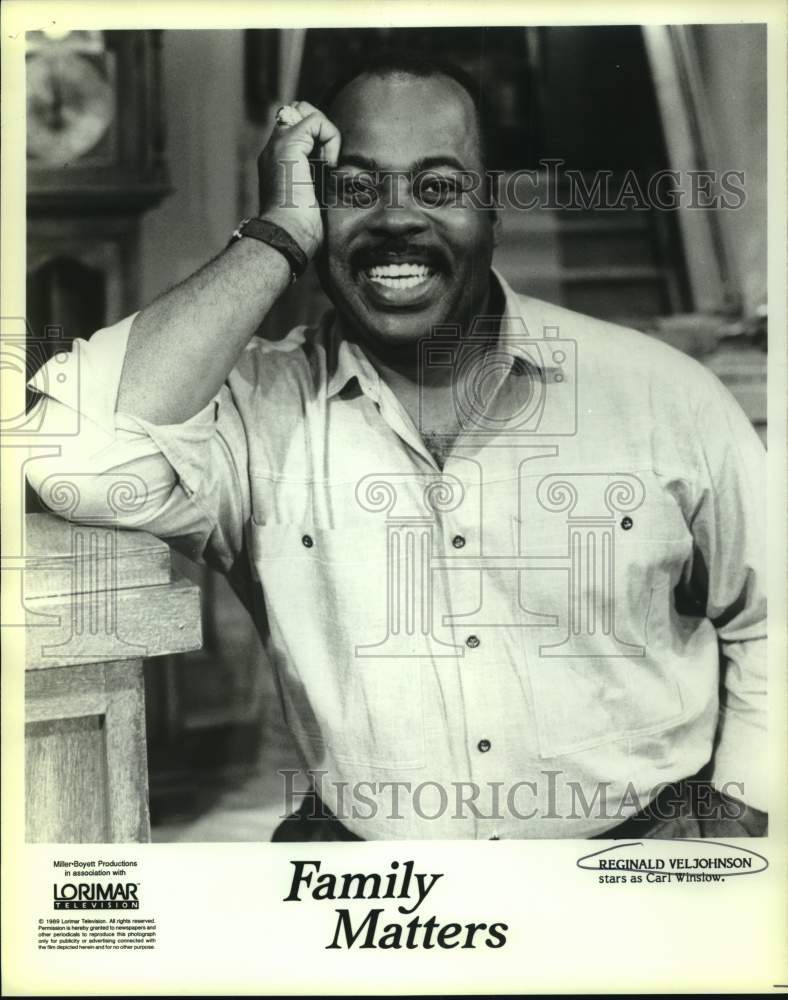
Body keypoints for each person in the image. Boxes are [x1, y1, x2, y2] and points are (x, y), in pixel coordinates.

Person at [26, 52, 767, 841]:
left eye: (439, 187)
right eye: (355, 188)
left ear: (492, 213)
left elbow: (771, 619)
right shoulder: (250, 415)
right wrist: (275, 235)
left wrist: (735, 821)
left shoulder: (662, 393)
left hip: (634, 874)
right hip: (384, 907)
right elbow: (66, 457)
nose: (397, 219)